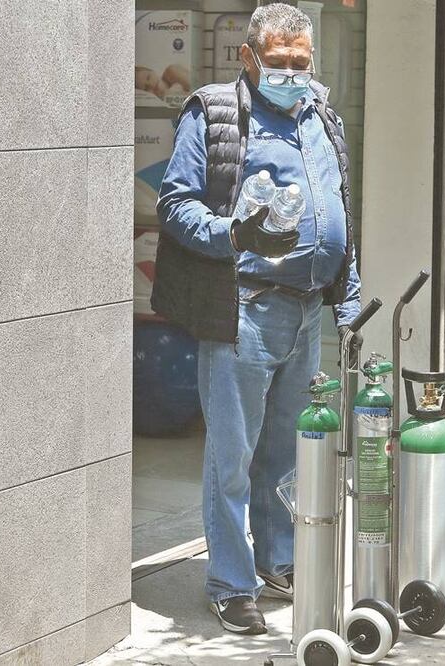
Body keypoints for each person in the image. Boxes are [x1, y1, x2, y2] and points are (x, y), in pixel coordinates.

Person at [152, 3, 362, 635]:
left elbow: (339, 206)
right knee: (233, 458)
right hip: (242, 307)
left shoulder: (322, 115)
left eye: (302, 62)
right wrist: (235, 237)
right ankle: (229, 582)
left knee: (287, 454)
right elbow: (175, 204)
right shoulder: (214, 112)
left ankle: (278, 561)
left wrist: (346, 295)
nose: (292, 73)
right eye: (279, 63)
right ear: (248, 57)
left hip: (305, 312)